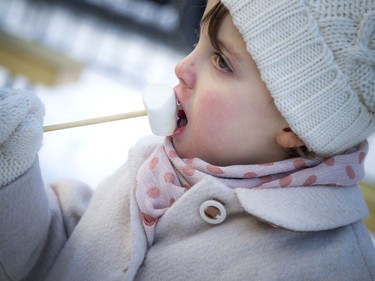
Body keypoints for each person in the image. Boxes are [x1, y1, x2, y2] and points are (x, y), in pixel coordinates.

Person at [1, 0, 375, 280]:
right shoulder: (153, 173)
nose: (182, 67)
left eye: (222, 62)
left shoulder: (326, 266)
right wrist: (11, 168)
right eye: (198, 40)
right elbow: (58, 258)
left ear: (295, 124)